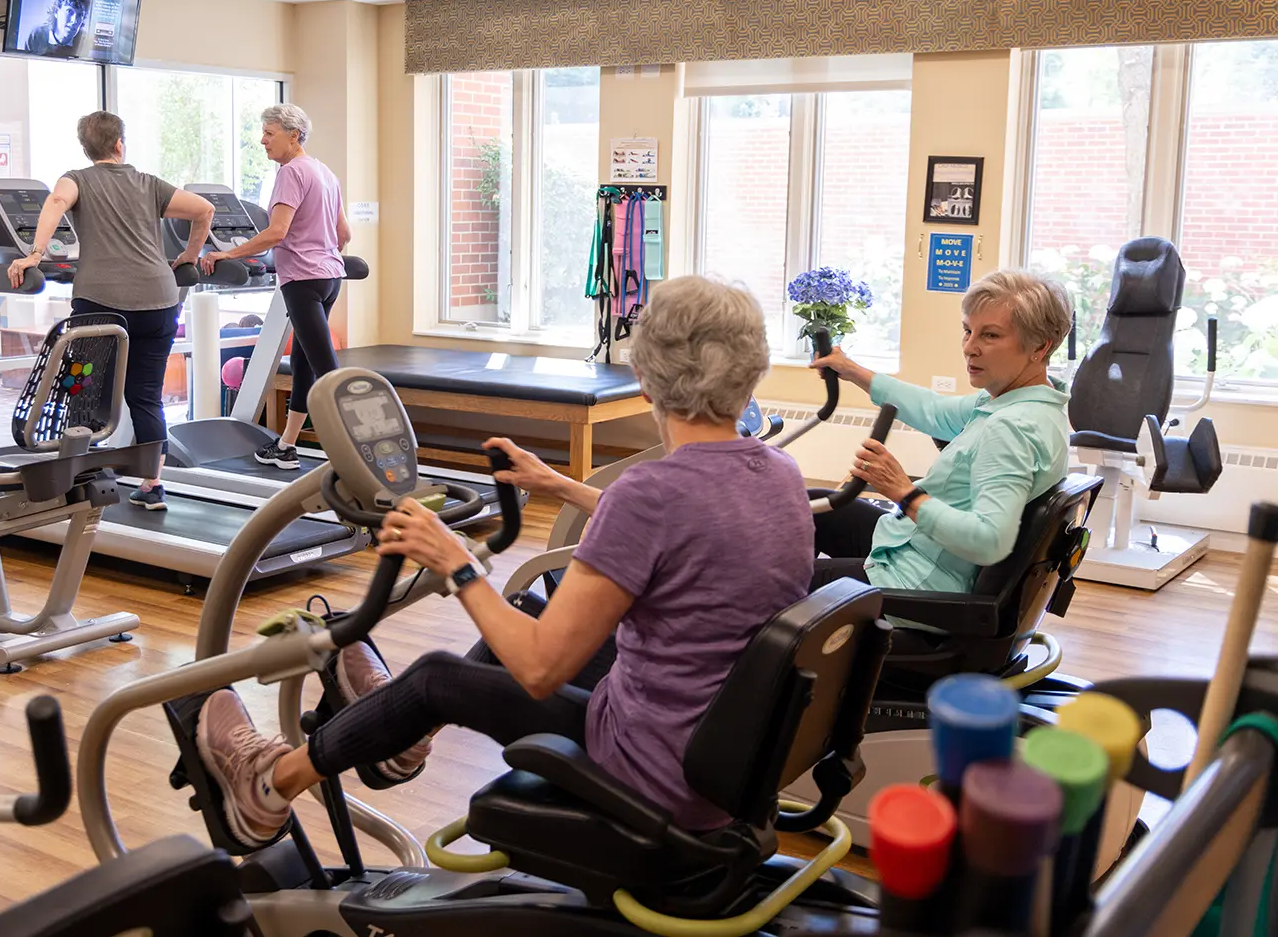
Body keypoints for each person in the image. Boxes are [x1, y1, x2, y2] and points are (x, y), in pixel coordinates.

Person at [197, 275, 815, 846]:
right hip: (722, 754)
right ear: (751, 371)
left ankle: (269, 786)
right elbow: (696, 520)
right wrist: (560, 486)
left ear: (647, 379)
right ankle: (402, 739)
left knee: (441, 674)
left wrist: (454, 562)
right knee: (520, 607)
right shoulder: (781, 474)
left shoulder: (650, 495)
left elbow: (543, 669)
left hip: (651, 770)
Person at [806, 268, 1074, 592]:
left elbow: (990, 540)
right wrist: (849, 370)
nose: (970, 347)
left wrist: (904, 493)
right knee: (807, 507)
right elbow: (932, 410)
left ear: (1039, 348)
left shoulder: (1010, 428)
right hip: (913, 547)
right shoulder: (1022, 404)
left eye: (990, 335)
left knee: (770, 584)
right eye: (968, 331)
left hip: (915, 581)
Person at [7, 111, 215, 511]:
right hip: (158, 302)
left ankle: (75, 478)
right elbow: (203, 210)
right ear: (119, 144)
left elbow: (56, 201)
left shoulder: (77, 179)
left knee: (84, 393)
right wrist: (189, 255)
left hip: (100, 306)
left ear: (86, 148)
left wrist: (35, 253)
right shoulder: (149, 183)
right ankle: (153, 485)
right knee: (147, 396)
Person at [199, 104, 348, 471]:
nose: (263, 141)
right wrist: (322, 252)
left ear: (293, 135)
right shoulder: (324, 172)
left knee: (325, 369)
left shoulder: (291, 172)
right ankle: (286, 445)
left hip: (303, 281)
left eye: (269, 133)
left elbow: (277, 232)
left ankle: (352, 454)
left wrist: (227, 253)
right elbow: (344, 233)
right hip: (329, 278)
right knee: (302, 362)